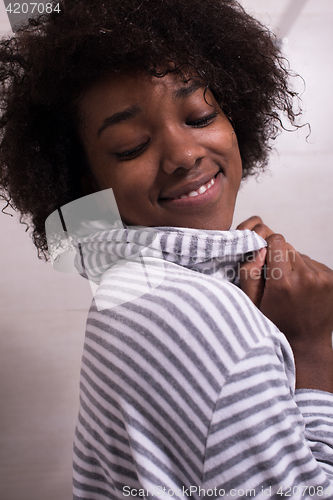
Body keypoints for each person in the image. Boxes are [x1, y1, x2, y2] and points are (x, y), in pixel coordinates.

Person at [0, 0, 332, 498]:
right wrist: (312, 347)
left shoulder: (132, 290)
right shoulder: (194, 313)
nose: (184, 155)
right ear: (87, 180)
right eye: (131, 145)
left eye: (199, 115)